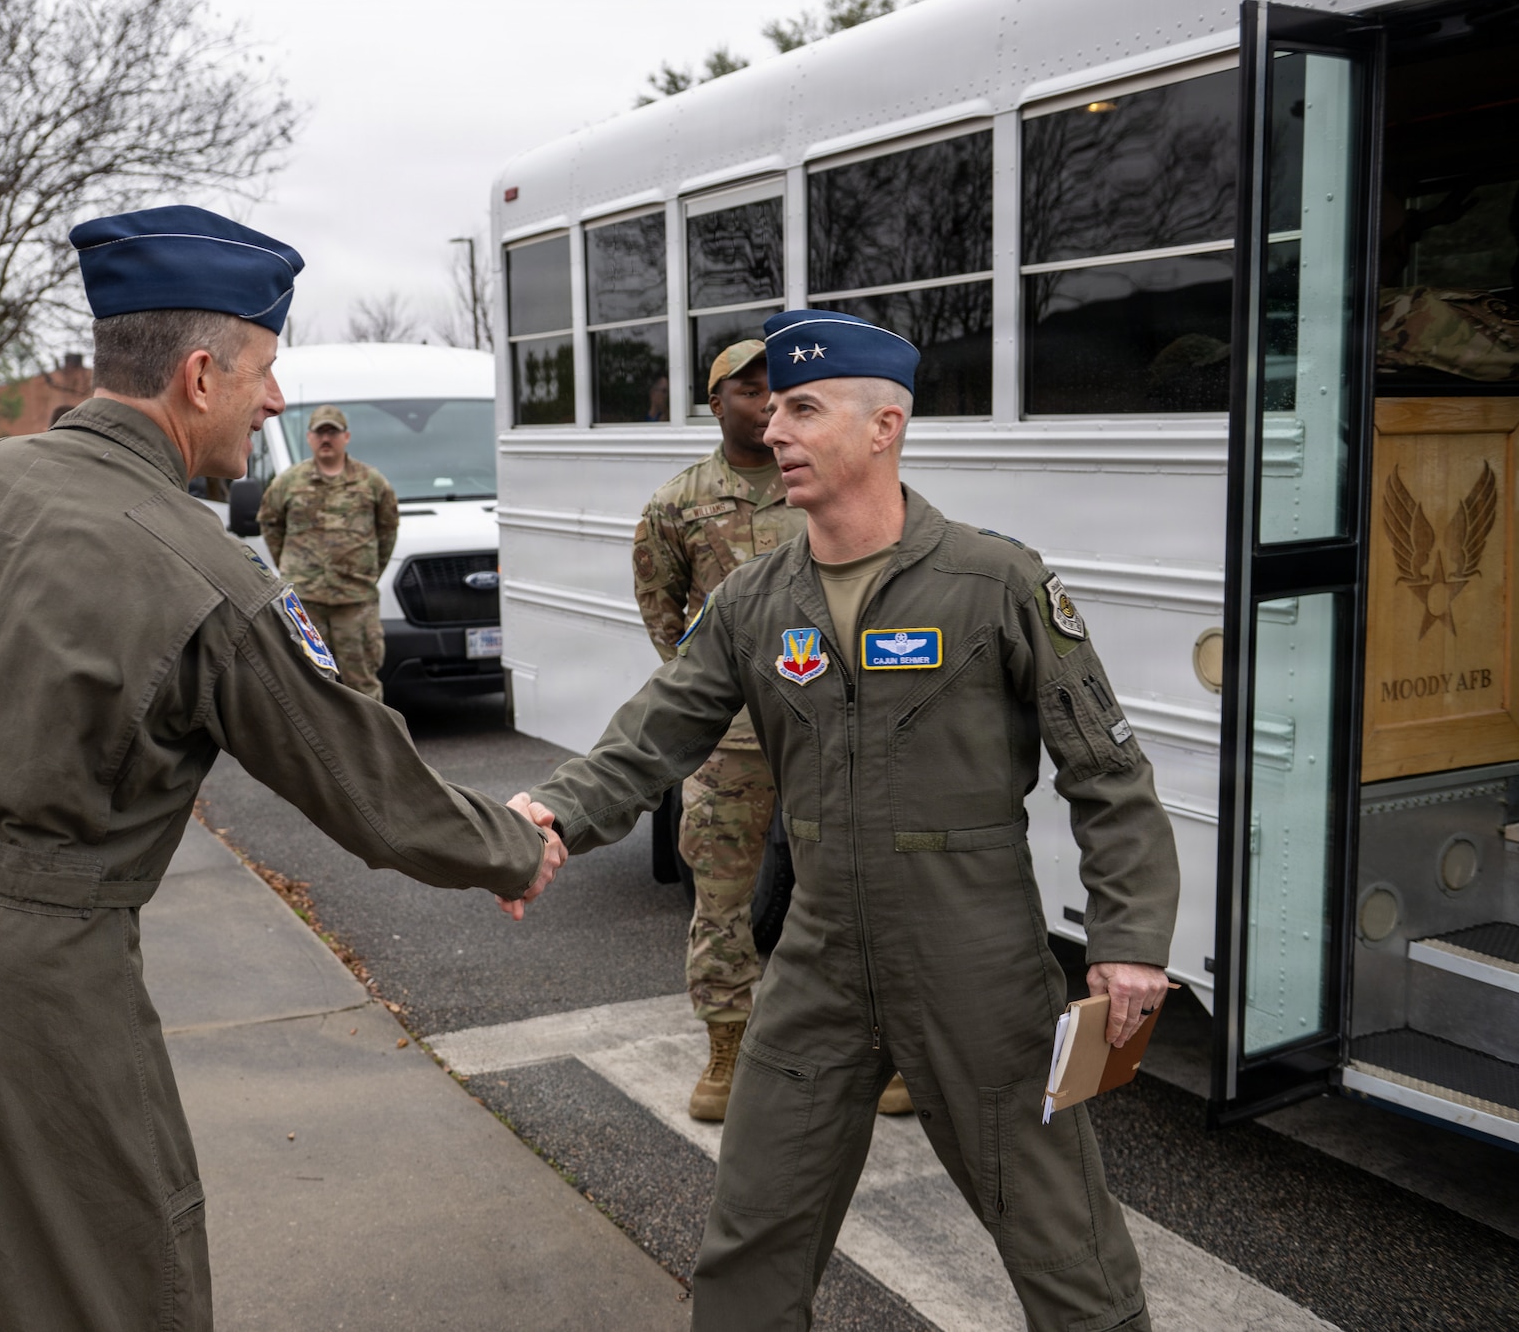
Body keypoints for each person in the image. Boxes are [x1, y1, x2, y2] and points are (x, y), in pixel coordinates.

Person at [0, 204, 564, 1332]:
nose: (275, 401)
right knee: (114, 1295)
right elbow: (361, 781)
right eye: (263, 370)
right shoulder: (202, 569)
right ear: (196, 374)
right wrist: (511, 843)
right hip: (26, 993)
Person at [510, 309, 1179, 1332]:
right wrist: (553, 811)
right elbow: (654, 732)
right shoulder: (752, 601)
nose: (774, 427)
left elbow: (1108, 773)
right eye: (773, 407)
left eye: (803, 408)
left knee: (1063, 1247)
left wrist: (1127, 939)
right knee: (751, 1237)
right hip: (817, 957)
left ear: (884, 427)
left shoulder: (994, 583)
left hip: (975, 962)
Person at [635, 339, 812, 1123]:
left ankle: (874, 1047)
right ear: (716, 402)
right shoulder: (677, 503)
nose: (769, 400)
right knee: (722, 898)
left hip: (823, 726)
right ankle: (727, 1047)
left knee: (853, 894)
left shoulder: (822, 481)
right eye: (750, 389)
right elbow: (662, 611)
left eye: (780, 388)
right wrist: (712, 691)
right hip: (731, 735)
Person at [256, 404, 399, 701]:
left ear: (345, 437)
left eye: (332, 432)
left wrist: (365, 572)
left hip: (355, 603)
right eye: (320, 432)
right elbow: (270, 524)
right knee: (307, 683)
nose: (326, 438)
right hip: (307, 603)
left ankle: (368, 747)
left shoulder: (372, 482)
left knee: (363, 685)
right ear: (309, 438)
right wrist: (293, 567)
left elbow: (387, 530)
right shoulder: (288, 482)